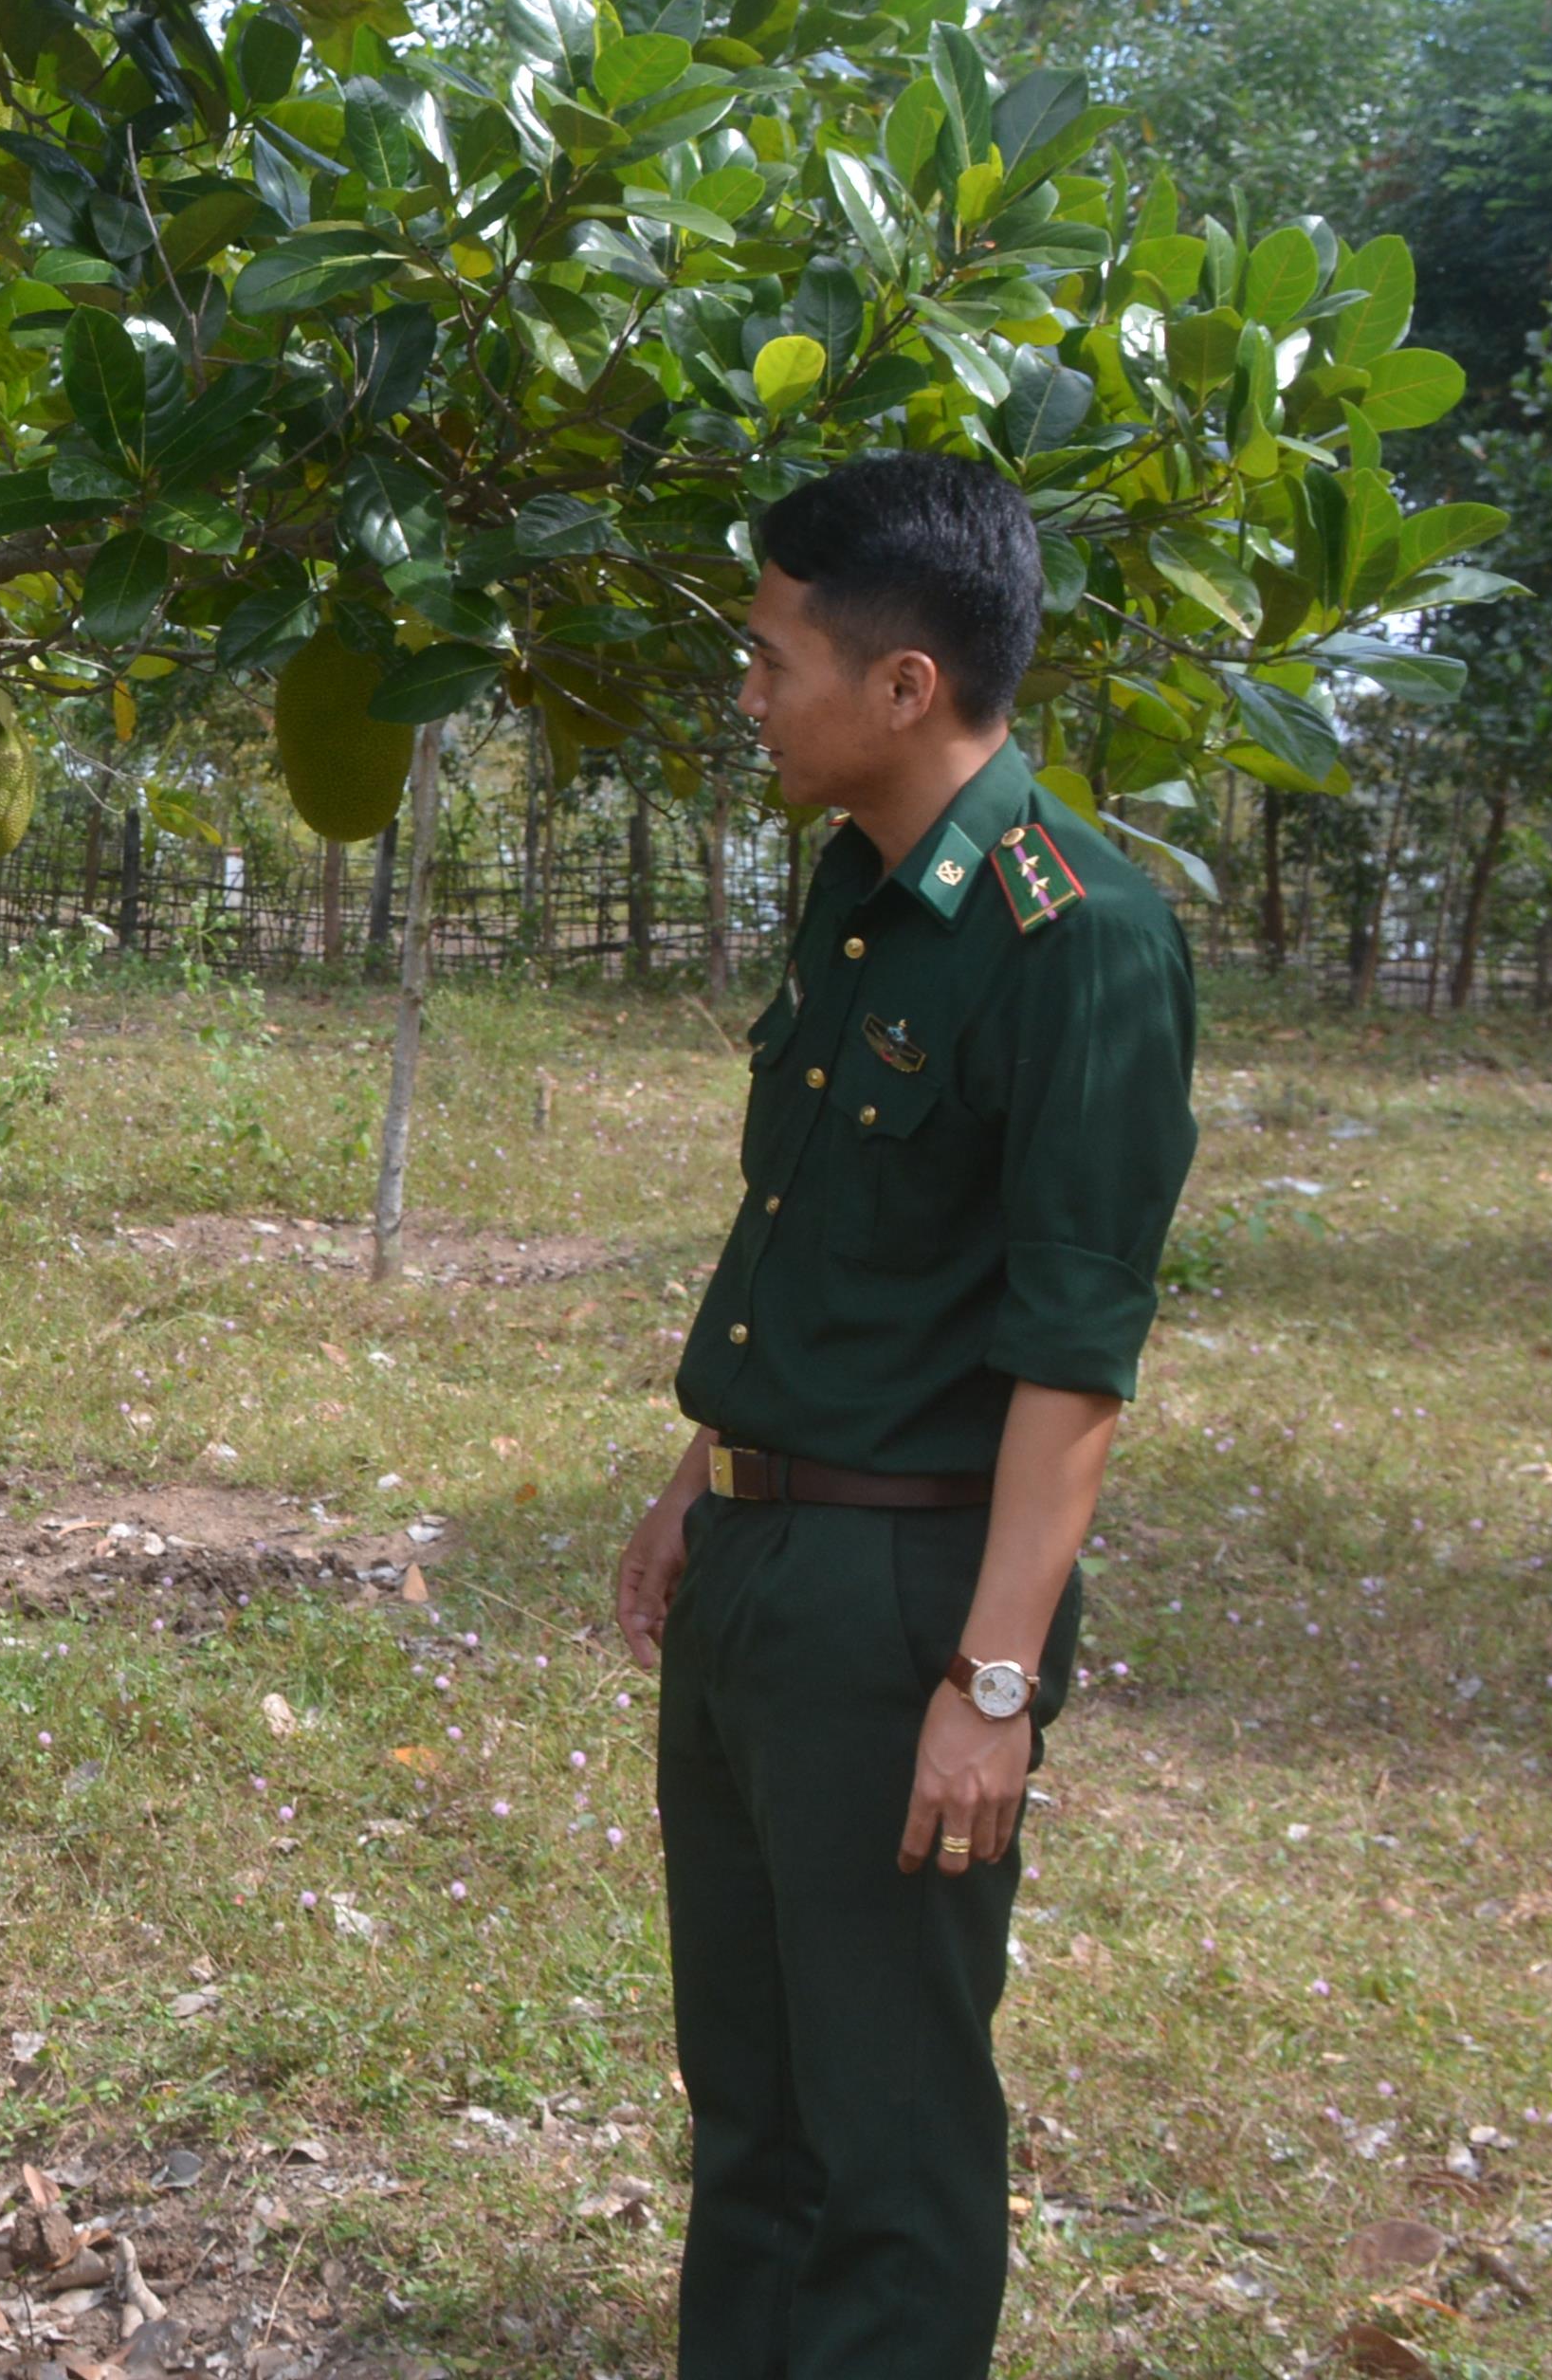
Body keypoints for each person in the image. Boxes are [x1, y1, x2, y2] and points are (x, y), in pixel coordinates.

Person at [612, 453, 1198, 2380]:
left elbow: (1075, 1352)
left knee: (891, 2132)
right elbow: (829, 1229)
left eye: (774, 659)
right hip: (765, 1564)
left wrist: (995, 1678)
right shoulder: (852, 894)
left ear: (906, 687)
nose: (750, 695)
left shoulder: (1077, 937)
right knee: (754, 2109)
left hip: (906, 1603)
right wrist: (709, 1471)